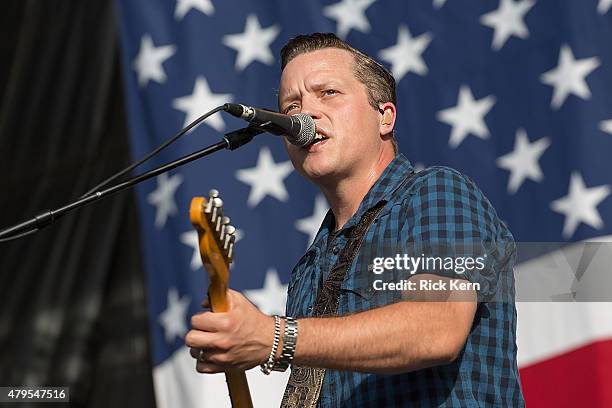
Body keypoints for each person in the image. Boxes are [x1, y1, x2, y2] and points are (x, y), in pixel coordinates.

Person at [185, 33, 524, 407]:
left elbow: (437, 328)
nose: (304, 115)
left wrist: (275, 337)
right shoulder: (310, 265)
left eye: (328, 93)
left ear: (384, 116)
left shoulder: (436, 192)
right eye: (290, 105)